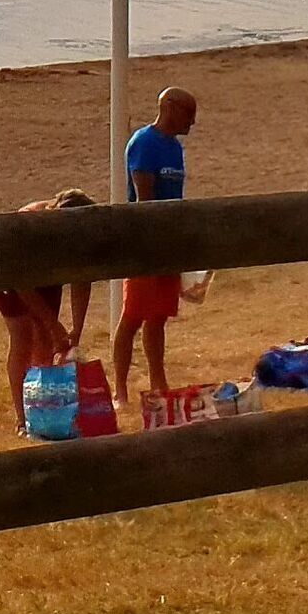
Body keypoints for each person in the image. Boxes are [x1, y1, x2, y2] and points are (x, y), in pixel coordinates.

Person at [114, 85, 198, 422]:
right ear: (171, 108)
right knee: (133, 315)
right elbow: (144, 198)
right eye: (189, 114)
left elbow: (176, 196)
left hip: (170, 242)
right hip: (144, 243)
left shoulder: (175, 148)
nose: (192, 123)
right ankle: (119, 387)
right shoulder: (144, 143)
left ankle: (158, 381)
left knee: (159, 316)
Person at [0, 190, 97, 429]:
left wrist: (76, 330)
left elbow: (82, 277)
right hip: (13, 275)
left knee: (46, 344)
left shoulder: (81, 235)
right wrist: (53, 323)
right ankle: (22, 419)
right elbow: (20, 282)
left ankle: (45, 410)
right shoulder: (28, 226)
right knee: (23, 337)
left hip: (48, 272)